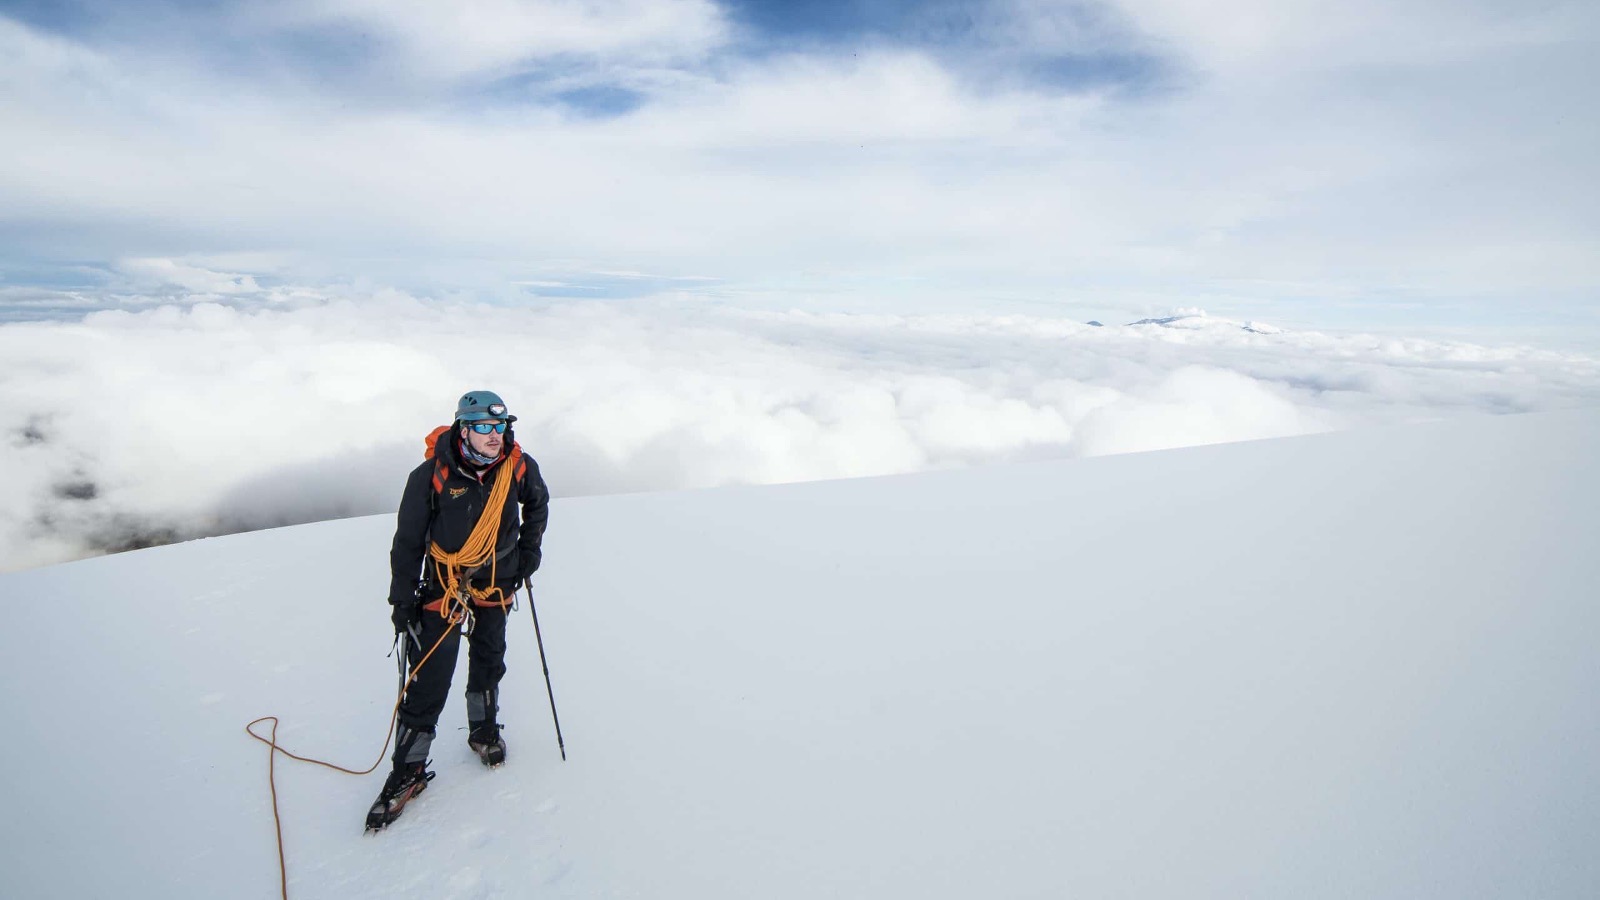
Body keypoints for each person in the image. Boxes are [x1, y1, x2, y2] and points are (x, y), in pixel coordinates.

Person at [366, 390, 550, 831]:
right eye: (484, 427)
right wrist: (402, 599)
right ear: (463, 429)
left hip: (498, 578)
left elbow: (537, 505)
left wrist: (529, 554)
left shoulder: (518, 467)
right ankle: (408, 770)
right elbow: (408, 542)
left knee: (489, 656)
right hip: (445, 584)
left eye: (500, 426)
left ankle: (483, 731)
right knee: (430, 673)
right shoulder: (431, 475)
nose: (495, 435)